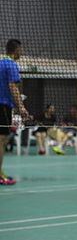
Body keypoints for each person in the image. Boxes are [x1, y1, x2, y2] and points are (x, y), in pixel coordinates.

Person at [0, 40, 28, 185]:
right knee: (3, 139)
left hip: (4, 103)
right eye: (21, 49)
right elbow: (13, 86)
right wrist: (21, 106)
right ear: (17, 50)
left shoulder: (1, 63)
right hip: (3, 105)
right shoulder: (11, 64)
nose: (21, 52)